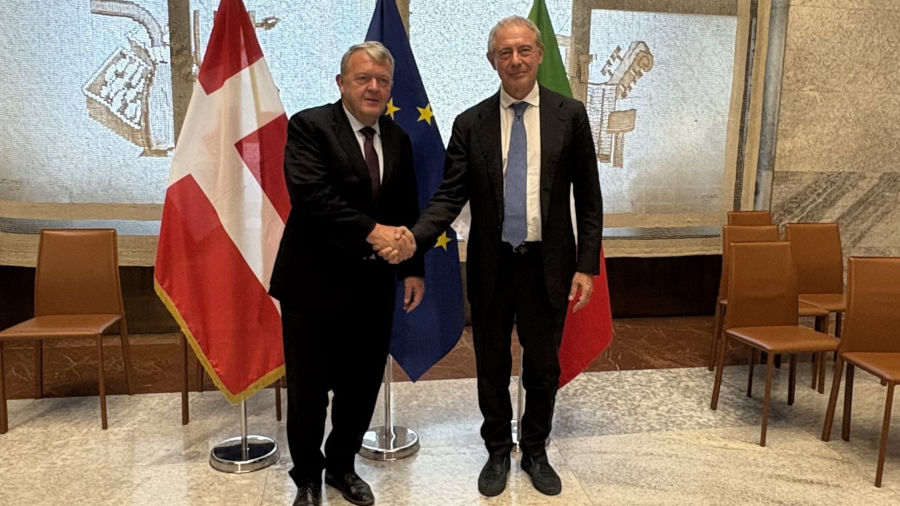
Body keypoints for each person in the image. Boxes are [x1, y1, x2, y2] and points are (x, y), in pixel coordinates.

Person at [389, 16, 604, 497]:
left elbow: (589, 197)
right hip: (492, 265)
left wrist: (586, 265)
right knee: (490, 365)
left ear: (539, 54)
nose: (516, 60)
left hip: (549, 265)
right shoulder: (471, 123)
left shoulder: (570, 115)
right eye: (505, 52)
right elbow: (449, 196)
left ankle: (536, 449)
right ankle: (497, 450)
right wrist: (414, 239)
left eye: (524, 50)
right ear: (492, 61)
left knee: (543, 367)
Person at [269, 41, 423, 506]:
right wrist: (373, 231)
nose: (373, 87)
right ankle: (307, 478)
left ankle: (341, 466)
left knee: (360, 387)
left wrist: (412, 268)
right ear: (341, 83)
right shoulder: (310, 126)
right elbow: (311, 195)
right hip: (312, 284)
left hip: (372, 286)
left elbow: (405, 207)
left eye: (382, 80)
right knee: (309, 390)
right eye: (363, 78)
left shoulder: (397, 138)